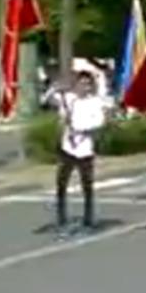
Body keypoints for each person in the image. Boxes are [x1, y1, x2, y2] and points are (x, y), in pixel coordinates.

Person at [46, 71, 113, 239]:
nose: (84, 87)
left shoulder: (95, 102)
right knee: (61, 184)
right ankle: (61, 218)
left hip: (84, 149)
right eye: (81, 84)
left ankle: (88, 219)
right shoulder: (69, 99)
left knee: (87, 186)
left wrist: (79, 127)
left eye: (87, 84)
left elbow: (99, 122)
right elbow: (47, 100)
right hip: (67, 147)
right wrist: (53, 89)